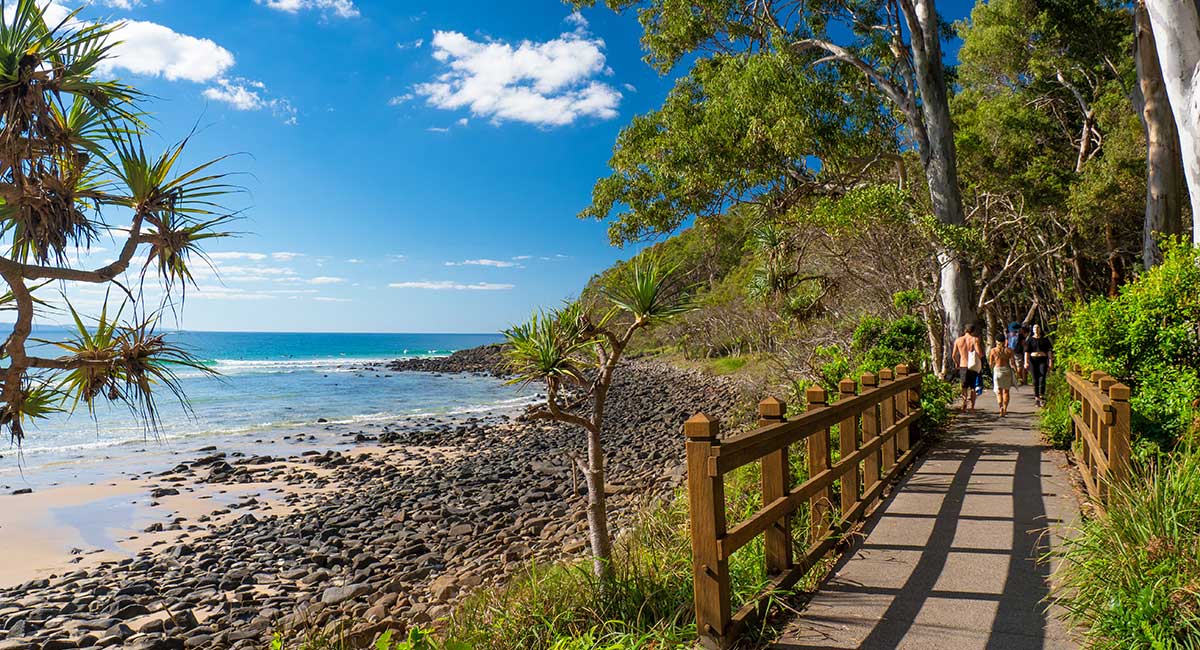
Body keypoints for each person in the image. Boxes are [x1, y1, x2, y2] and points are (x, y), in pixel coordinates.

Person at [951, 324, 985, 412]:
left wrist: (957, 363)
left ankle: (964, 404)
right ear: (973, 331)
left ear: (965, 330)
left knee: (964, 386)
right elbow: (979, 353)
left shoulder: (958, 340)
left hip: (963, 365)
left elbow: (954, 355)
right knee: (973, 387)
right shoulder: (975, 340)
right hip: (972, 366)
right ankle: (972, 406)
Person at [1025, 324, 1054, 407]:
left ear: (1040, 329)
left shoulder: (1045, 340)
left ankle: (1042, 396)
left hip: (1042, 360)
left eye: (1038, 327)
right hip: (1033, 360)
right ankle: (1036, 397)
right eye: (1034, 328)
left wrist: (1050, 361)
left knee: (1042, 378)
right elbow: (1027, 351)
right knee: (1035, 379)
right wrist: (1026, 362)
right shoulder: (1030, 340)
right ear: (1032, 330)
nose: (1036, 329)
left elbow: (1049, 351)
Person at [989, 336, 1016, 416]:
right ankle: (1005, 408)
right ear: (1005, 341)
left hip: (997, 370)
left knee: (999, 391)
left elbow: (991, 363)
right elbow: (1012, 362)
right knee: (1006, 391)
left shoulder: (993, 350)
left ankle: (1000, 406)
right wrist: (1017, 372)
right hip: (1006, 370)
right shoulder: (1009, 350)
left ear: (996, 341)